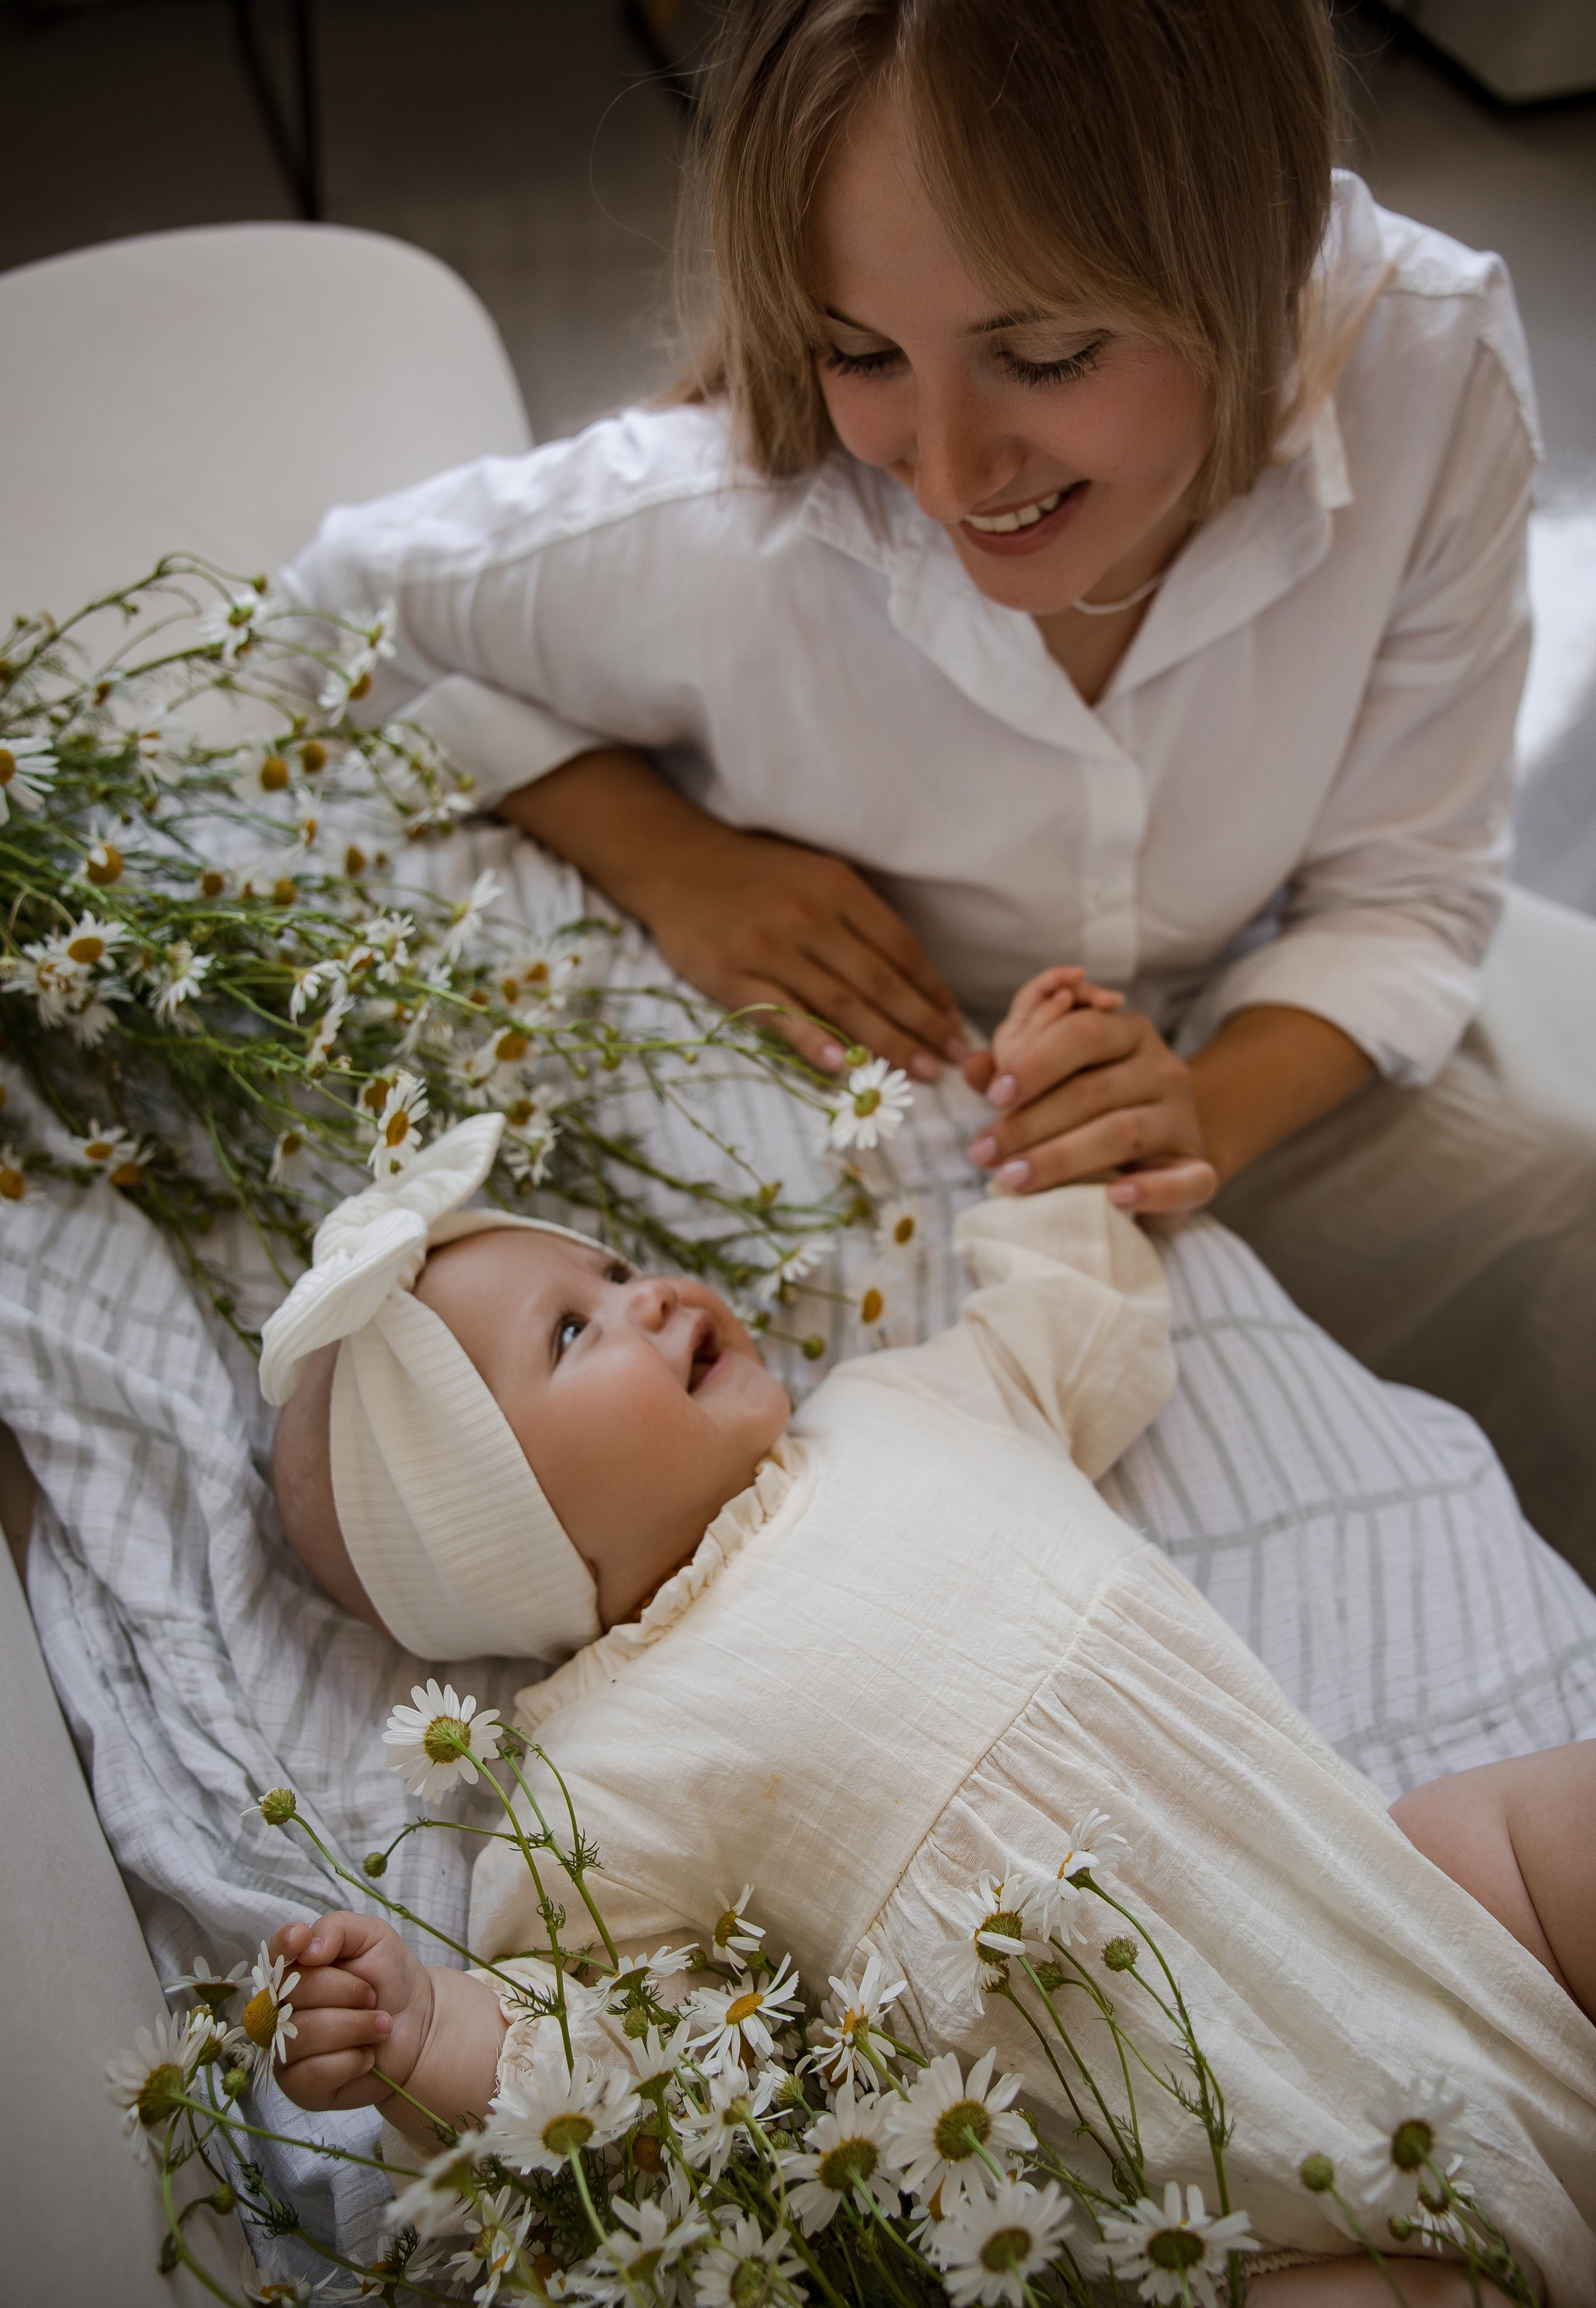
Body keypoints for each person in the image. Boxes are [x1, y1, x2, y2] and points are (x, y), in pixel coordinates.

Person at [274, 0, 1596, 1583]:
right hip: (870, 1107)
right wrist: (667, 854)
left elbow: (1400, 895)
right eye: (861, 354)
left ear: (1250, 250)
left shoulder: (1423, 366)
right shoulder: (713, 531)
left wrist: (1196, 1112)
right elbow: (320, 618)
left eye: (1044, 355)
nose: (956, 478)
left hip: (1232, 1042)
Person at [256, 1105, 1596, 2308]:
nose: (651, 1291)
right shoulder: (592, 1776)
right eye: (572, 1331)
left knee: (1543, 1824)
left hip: (1415, 1912)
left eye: (612, 1266)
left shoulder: (897, 1404)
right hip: (1254, 2223)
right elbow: (605, 2063)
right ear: (491, 1529)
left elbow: (1064, 1328)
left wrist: (1056, 1173)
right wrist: (428, 2033)